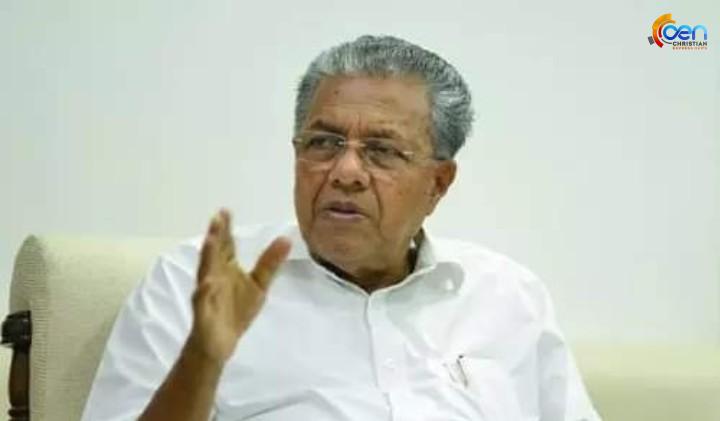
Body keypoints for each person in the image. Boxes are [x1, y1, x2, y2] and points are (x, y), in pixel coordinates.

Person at [81, 35, 601, 421]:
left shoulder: (506, 296)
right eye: (323, 143)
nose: (345, 172)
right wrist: (204, 357)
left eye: (381, 151)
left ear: (438, 183)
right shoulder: (193, 284)